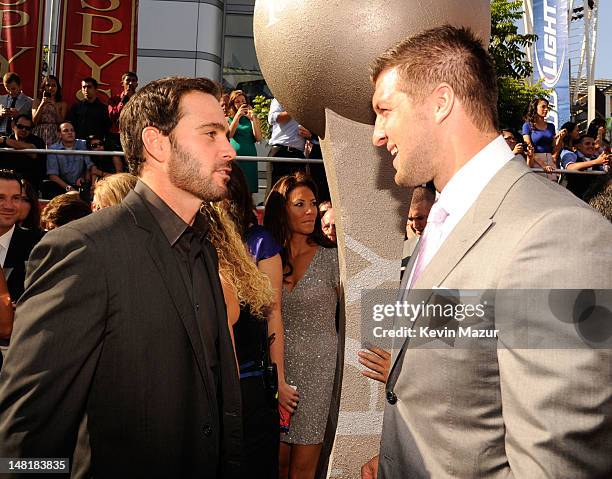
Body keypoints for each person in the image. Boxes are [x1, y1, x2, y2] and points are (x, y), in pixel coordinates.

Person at [362, 25, 612, 479]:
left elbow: (554, 464)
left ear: (440, 103)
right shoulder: (442, 218)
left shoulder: (559, 234)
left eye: (384, 110)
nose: (377, 134)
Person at [0, 77, 242, 478]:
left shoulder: (202, 246)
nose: (229, 148)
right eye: (211, 134)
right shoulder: (83, 250)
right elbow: (24, 438)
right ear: (157, 142)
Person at [264, 172, 339, 479]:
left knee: (303, 470)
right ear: (282, 209)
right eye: (299, 204)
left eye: (312, 203)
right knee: (275, 465)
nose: (311, 210)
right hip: (276, 372)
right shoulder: (267, 257)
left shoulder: (333, 258)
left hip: (318, 374)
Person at [204, 194, 279, 478]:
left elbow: (228, 364)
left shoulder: (220, 281)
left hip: (240, 401)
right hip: (252, 397)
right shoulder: (230, 274)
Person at [44, 122, 98, 199]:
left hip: (81, 184)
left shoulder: (83, 144)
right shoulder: (53, 149)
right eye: (66, 130)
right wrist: (69, 188)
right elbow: (52, 175)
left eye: (72, 130)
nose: (70, 133)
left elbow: (91, 166)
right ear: (59, 134)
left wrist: (86, 179)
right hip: (62, 185)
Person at [267, 99, 312, 186]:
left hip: (298, 154)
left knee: (297, 188)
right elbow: (272, 118)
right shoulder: (280, 98)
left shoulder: (309, 102)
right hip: (280, 151)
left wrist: (309, 135)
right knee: (275, 189)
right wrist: (294, 111)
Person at [227, 90, 262, 194]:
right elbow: (229, 135)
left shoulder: (251, 118)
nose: (241, 104)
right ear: (233, 104)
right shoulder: (229, 119)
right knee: (235, 188)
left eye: (243, 101)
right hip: (236, 158)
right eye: (237, 101)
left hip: (250, 156)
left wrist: (253, 119)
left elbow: (259, 138)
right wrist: (237, 115)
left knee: (248, 189)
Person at [0, 115, 46, 189]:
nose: (24, 130)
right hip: (7, 182)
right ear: (13, 126)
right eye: (20, 126)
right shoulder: (7, 139)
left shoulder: (37, 141)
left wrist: (4, 140)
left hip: (30, 184)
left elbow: (32, 150)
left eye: (27, 128)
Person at [560, 134, 609, 200]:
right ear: (578, 146)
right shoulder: (570, 155)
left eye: (593, 144)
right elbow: (570, 168)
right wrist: (596, 161)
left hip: (591, 199)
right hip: (571, 198)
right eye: (587, 143)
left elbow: (605, 174)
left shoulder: (597, 159)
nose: (591, 146)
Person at [521, 97, 560, 180]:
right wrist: (544, 165)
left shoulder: (551, 126)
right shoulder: (527, 125)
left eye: (547, 107)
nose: (546, 109)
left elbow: (554, 147)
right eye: (543, 107)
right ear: (535, 108)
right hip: (535, 161)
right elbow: (528, 147)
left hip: (550, 161)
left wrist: (560, 138)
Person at [67, 77, 111, 141]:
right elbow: (71, 126)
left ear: (96, 89)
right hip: (79, 142)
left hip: (96, 144)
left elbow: (107, 128)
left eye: (89, 87)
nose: (86, 90)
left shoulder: (103, 108)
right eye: (84, 87)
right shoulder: (76, 107)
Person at [31, 75, 67, 147]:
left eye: (54, 85)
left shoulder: (62, 104)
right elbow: (34, 121)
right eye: (48, 85)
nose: (50, 88)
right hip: (39, 132)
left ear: (57, 88)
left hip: (55, 133)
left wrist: (55, 106)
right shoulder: (37, 101)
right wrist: (42, 104)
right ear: (43, 87)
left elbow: (61, 122)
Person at [108, 71, 138, 149]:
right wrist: (124, 99)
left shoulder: (141, 99)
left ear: (136, 84)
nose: (130, 83)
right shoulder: (114, 99)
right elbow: (113, 116)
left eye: (133, 80)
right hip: (118, 136)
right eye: (128, 80)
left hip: (134, 136)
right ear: (122, 83)